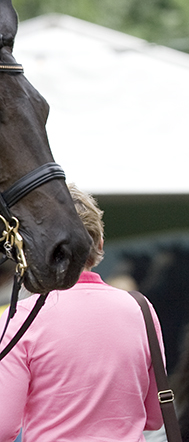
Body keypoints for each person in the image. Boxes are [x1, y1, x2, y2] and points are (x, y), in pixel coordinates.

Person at [0, 184, 166, 442]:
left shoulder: (19, 318)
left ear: (37, 247)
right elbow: (154, 417)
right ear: (99, 243)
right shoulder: (141, 309)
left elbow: (3, 427)